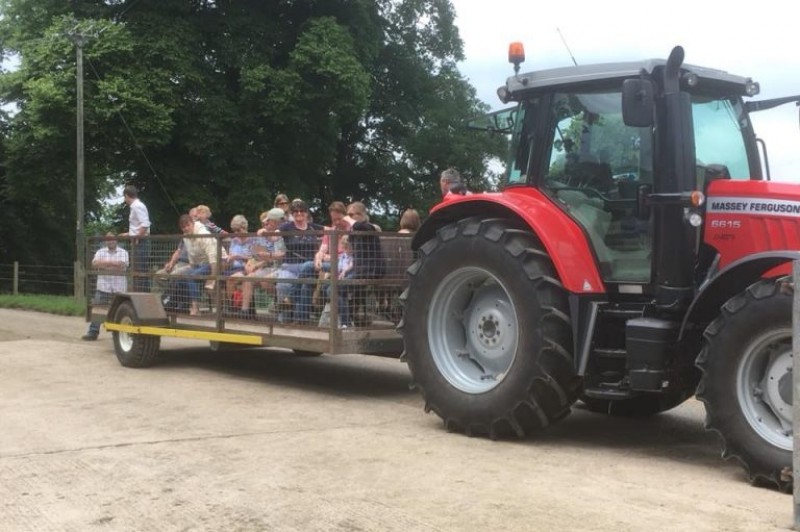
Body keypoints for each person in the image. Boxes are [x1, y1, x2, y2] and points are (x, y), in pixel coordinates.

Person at [231, 208, 287, 317]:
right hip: (267, 267)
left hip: (279, 267)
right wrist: (251, 263)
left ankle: (279, 303)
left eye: (267, 221)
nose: (265, 224)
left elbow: (279, 256)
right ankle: (245, 312)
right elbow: (255, 255)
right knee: (248, 278)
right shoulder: (263, 236)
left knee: (264, 281)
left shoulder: (281, 233)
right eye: (264, 222)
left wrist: (263, 260)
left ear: (274, 222)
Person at [277, 199, 323, 323]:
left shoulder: (313, 227)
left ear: (307, 213)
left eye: (302, 210)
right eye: (295, 211)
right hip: (290, 265)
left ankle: (300, 320)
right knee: (283, 284)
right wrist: (263, 232)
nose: (299, 213)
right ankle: (285, 321)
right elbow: (272, 235)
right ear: (292, 213)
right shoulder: (286, 227)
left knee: (305, 286)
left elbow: (332, 230)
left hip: (308, 267)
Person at [82, 233, 129, 340]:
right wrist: (113, 263)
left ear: (116, 240)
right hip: (104, 286)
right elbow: (94, 264)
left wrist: (104, 265)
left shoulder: (123, 252)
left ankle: (118, 334)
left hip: (119, 287)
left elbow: (121, 266)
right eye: (108, 240)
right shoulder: (100, 251)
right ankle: (93, 332)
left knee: (120, 311)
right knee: (98, 308)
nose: (111, 241)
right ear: (106, 241)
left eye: (112, 239)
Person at [174, 214, 220, 316]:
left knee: (191, 276)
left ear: (192, 223)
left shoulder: (203, 234)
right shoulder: (186, 238)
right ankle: (184, 306)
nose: (186, 228)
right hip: (200, 265)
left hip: (217, 263)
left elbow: (213, 256)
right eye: (183, 227)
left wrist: (212, 278)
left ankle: (195, 308)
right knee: (179, 277)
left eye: (188, 225)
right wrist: (189, 267)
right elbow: (192, 257)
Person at [122, 185, 151, 292]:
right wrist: (128, 234)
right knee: (139, 268)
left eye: (124, 197)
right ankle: (142, 293)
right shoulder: (137, 205)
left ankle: (141, 294)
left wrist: (136, 238)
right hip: (139, 240)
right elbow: (139, 226)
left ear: (126, 196)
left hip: (141, 242)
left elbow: (145, 224)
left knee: (140, 269)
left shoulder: (136, 206)